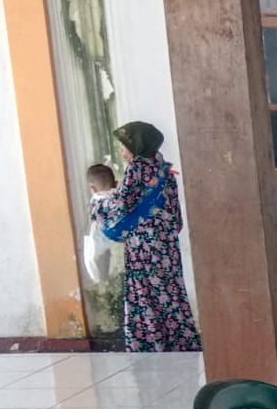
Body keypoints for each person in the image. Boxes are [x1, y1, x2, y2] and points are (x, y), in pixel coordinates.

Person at [89, 121, 201, 352]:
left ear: (136, 146)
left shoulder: (137, 168)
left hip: (143, 247)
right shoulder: (164, 169)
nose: (121, 151)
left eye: (123, 146)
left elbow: (122, 204)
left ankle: (151, 343)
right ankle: (180, 342)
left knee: (144, 292)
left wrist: (100, 201)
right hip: (167, 246)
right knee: (170, 290)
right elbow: (177, 219)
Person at [81, 163, 118, 287]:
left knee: (102, 279)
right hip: (120, 248)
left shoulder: (95, 204)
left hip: (101, 250)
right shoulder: (120, 199)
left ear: (92, 188)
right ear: (116, 184)